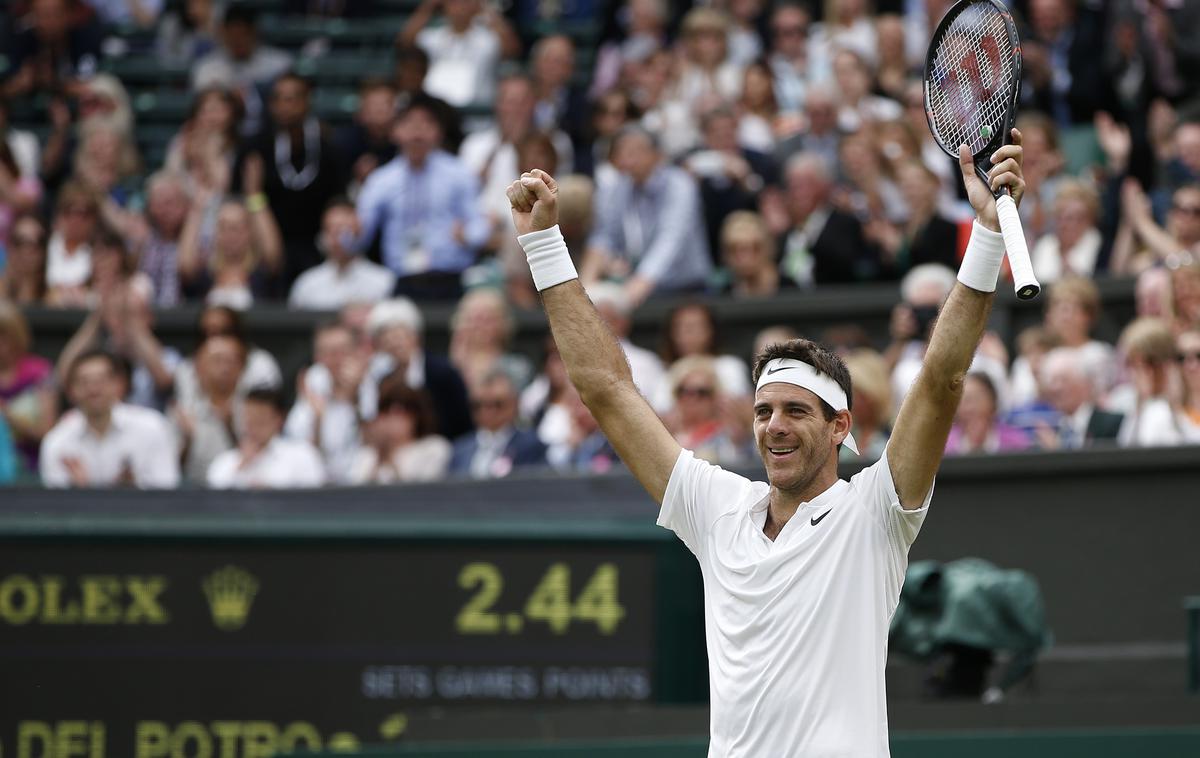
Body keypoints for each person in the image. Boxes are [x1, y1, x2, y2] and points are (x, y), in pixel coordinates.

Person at [503, 116, 1025, 753]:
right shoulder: (718, 508)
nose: (774, 426)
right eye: (763, 411)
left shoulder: (876, 511)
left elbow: (942, 377)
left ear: (840, 427)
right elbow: (605, 389)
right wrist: (545, 245)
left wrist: (989, 236)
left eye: (797, 412)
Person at [357, 97, 490, 301]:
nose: (417, 131)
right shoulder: (381, 180)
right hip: (401, 280)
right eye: (409, 123)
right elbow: (360, 237)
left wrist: (469, 235)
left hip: (450, 278)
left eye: (426, 123)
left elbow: (479, 226)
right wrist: (350, 231)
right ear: (395, 131)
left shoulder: (459, 173)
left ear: (438, 131)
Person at [582, 125, 712, 307]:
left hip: (686, 290)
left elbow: (670, 238)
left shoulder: (680, 183)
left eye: (635, 151)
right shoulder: (617, 187)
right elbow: (603, 236)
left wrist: (635, 290)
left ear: (656, 155)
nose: (628, 158)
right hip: (637, 288)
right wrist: (584, 289)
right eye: (622, 151)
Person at [41, 349, 180, 488]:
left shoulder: (153, 427)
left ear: (119, 384)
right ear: (70, 391)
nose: (93, 389)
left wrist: (133, 491)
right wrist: (79, 492)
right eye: (84, 382)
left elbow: (167, 493)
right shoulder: (57, 441)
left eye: (102, 380)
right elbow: (54, 505)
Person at [208, 388, 326, 489]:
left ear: (278, 420)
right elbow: (213, 500)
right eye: (249, 420)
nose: (252, 428)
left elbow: (314, 500)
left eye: (260, 421)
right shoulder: (225, 462)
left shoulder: (302, 455)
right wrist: (241, 466)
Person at [288, 199, 396, 310]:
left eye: (342, 230)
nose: (336, 238)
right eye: (330, 230)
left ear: (358, 232)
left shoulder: (383, 281)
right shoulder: (307, 284)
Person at [449, 369, 546, 478]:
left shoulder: (530, 446)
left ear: (514, 404)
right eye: (477, 405)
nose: (486, 411)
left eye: (497, 404)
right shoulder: (460, 449)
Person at [348, 383, 451, 484]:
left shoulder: (433, 448)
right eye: (386, 411)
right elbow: (355, 493)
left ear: (416, 417)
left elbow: (420, 492)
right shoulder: (367, 454)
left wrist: (390, 457)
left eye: (401, 412)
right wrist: (380, 456)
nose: (393, 419)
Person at [0, 299, 58, 474]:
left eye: (2, 335)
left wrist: (7, 415)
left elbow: (46, 433)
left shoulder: (39, 372)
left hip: (31, 467)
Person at [944, 373, 1030, 456]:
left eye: (976, 398)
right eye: (962, 399)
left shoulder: (1016, 443)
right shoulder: (943, 447)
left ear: (993, 402)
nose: (969, 407)